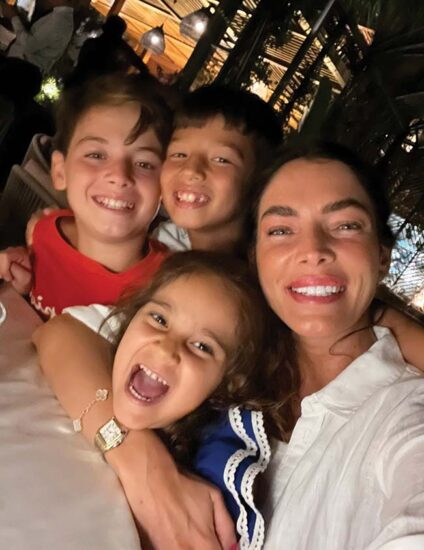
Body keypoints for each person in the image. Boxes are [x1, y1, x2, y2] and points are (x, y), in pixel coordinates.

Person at [33, 141, 424, 549]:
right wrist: (142, 463)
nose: (312, 251)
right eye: (280, 230)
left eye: (345, 226)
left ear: (383, 256)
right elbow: (64, 335)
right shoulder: (230, 325)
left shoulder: (404, 416)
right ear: (256, 256)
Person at [67, 250, 273, 548]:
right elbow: (57, 332)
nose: (166, 349)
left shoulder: (205, 491)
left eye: (202, 346)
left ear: (226, 385)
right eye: (159, 319)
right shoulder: (92, 364)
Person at [0, 72, 172, 318]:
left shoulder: (166, 290)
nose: (119, 176)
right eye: (97, 155)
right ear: (60, 171)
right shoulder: (44, 230)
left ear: (165, 184)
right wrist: (24, 286)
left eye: (144, 163)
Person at [154, 84, 282, 254]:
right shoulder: (157, 246)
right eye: (179, 154)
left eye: (221, 160)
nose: (190, 170)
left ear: (260, 178)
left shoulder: (274, 262)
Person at [67, 15, 149, 88]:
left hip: (80, 85)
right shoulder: (119, 49)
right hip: (94, 89)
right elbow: (141, 66)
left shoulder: (90, 43)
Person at [2, 0, 74, 76]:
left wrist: (13, 17)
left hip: (21, 71)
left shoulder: (60, 21)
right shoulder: (58, 15)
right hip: (20, 67)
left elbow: (29, 45)